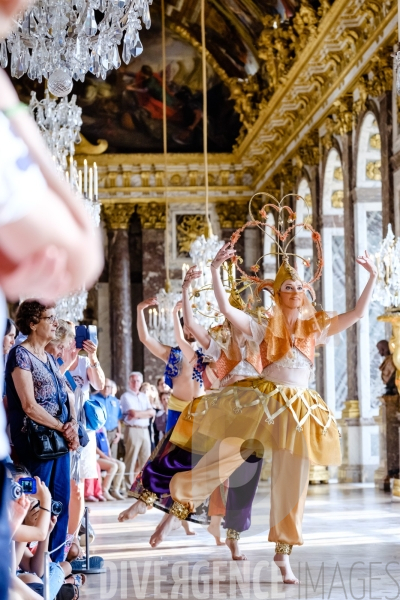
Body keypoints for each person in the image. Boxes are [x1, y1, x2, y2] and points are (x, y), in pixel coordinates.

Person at [161, 240, 377, 582]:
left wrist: (372, 277)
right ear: (277, 294)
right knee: (232, 453)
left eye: (299, 287)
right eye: (287, 287)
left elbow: (358, 314)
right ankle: (185, 492)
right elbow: (226, 310)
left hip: (301, 408)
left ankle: (283, 552)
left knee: (293, 479)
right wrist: (216, 271)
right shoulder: (262, 327)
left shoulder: (315, 328)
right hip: (265, 403)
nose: (294, 292)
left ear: (306, 292)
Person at [5, 300, 79, 563]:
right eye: (50, 318)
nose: (55, 323)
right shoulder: (20, 355)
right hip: (34, 443)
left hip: (58, 442)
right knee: (35, 505)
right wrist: (62, 427)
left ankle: (54, 565)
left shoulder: (47, 356)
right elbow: (29, 405)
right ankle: (29, 568)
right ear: (33, 324)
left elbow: (62, 397)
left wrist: (71, 426)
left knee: (60, 503)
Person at [61, 335, 105, 536]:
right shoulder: (53, 358)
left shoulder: (86, 362)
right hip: (59, 428)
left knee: (77, 487)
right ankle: (62, 532)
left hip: (83, 432)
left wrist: (93, 356)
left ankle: (74, 538)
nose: (73, 343)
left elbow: (99, 385)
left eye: (74, 337)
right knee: (63, 485)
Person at [120, 372, 155, 487]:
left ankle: (145, 486)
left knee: (146, 459)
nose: (135, 383)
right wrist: (144, 414)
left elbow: (152, 412)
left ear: (141, 382)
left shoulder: (144, 396)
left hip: (145, 430)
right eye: (133, 381)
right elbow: (132, 413)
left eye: (138, 381)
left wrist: (139, 414)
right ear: (129, 382)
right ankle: (128, 486)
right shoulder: (125, 396)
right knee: (131, 458)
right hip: (132, 429)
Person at [90, 379, 122, 460]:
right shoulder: (93, 397)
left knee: (113, 458)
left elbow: (118, 419)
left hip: (113, 433)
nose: (106, 388)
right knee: (102, 457)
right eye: (104, 386)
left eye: (108, 386)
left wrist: (119, 433)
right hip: (100, 433)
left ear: (111, 388)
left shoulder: (115, 400)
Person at [95, 426, 126, 500]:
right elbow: (94, 448)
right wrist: (106, 458)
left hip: (106, 457)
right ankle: (104, 491)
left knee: (121, 465)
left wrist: (110, 456)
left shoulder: (103, 429)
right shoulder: (92, 429)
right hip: (96, 458)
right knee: (113, 466)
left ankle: (115, 490)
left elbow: (107, 444)